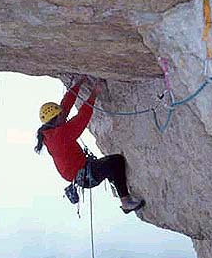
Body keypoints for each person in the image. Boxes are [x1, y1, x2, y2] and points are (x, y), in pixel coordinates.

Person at [35, 75, 144, 214]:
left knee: (110, 166)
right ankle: (126, 202)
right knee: (115, 162)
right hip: (85, 176)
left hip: (82, 173)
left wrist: (79, 83)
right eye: (61, 115)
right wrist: (95, 93)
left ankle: (115, 182)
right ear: (56, 119)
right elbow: (82, 117)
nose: (64, 114)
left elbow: (65, 105)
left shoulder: (51, 132)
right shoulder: (59, 136)